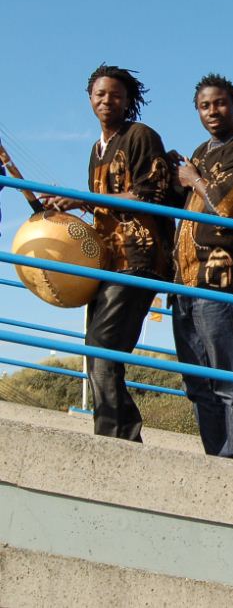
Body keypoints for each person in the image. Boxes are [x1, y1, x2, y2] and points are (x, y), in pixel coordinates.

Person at [45, 64, 174, 442]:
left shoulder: (141, 135)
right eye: (100, 94)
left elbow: (152, 194)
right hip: (107, 260)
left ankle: (118, 442)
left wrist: (82, 198)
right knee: (98, 353)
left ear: (128, 100)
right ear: (89, 98)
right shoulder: (96, 148)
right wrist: (71, 204)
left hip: (139, 259)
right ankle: (118, 439)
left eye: (116, 95)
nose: (107, 101)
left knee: (102, 351)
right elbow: (106, 203)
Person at [169, 73, 233, 462]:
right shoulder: (200, 151)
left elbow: (227, 208)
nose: (213, 111)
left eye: (220, 103)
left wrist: (193, 179)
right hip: (184, 281)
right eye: (204, 106)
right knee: (197, 383)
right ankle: (215, 460)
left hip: (220, 279)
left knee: (230, 379)